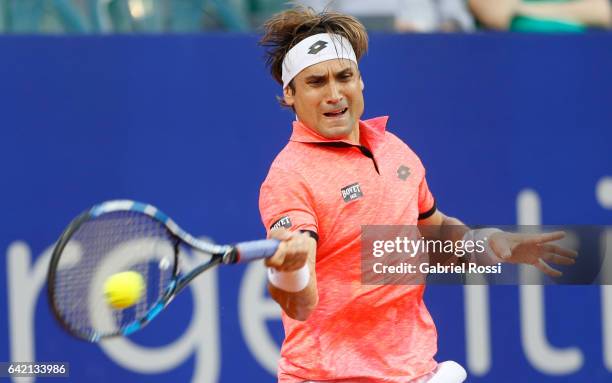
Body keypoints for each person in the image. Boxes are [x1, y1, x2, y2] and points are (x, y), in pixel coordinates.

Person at [257, 6, 577, 383]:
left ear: (361, 82)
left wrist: (489, 245)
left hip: (413, 371)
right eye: (316, 82)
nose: (334, 93)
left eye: (344, 77)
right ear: (289, 93)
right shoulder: (289, 176)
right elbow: (299, 302)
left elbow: (437, 235)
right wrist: (289, 272)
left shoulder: (395, 151)